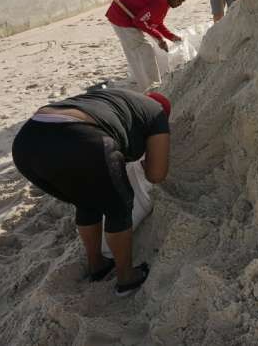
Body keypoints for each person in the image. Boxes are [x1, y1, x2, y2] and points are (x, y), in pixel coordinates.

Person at [11, 89, 172, 296]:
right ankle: (126, 278)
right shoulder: (157, 113)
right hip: (80, 138)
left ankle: (97, 264)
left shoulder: (116, 99)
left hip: (26, 145)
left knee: (87, 199)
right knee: (119, 206)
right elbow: (156, 174)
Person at [106, 0, 190, 92]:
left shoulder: (164, 0)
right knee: (144, 50)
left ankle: (146, 85)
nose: (180, 4)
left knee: (137, 51)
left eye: (182, 2)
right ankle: (153, 87)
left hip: (124, 15)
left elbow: (157, 23)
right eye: (179, 0)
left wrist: (172, 37)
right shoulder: (160, 1)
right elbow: (139, 21)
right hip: (121, 16)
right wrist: (159, 39)